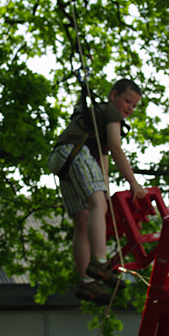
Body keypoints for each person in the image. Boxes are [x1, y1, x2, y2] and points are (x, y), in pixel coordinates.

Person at [48, 78, 145, 305]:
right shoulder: (111, 112)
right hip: (75, 151)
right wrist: (133, 183)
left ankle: (87, 282)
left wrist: (105, 188)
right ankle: (100, 262)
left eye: (134, 105)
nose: (130, 108)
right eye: (127, 101)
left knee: (82, 222)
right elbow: (116, 147)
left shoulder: (96, 118)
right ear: (114, 96)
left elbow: (104, 157)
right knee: (97, 205)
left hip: (61, 159)